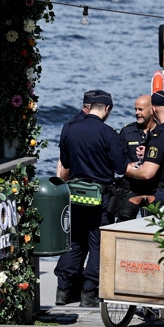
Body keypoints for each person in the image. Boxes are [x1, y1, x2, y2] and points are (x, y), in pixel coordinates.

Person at [55, 90, 125, 306]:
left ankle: (63, 291)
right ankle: (89, 293)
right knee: (98, 244)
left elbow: (65, 163)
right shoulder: (107, 133)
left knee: (73, 242)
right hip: (99, 198)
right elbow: (121, 167)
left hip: (74, 196)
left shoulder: (69, 128)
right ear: (107, 109)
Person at [119, 95, 157, 200]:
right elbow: (118, 158)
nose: (137, 113)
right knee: (125, 215)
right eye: (135, 109)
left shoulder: (160, 132)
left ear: (151, 110)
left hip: (153, 186)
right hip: (130, 186)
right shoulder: (127, 132)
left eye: (140, 109)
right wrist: (128, 165)